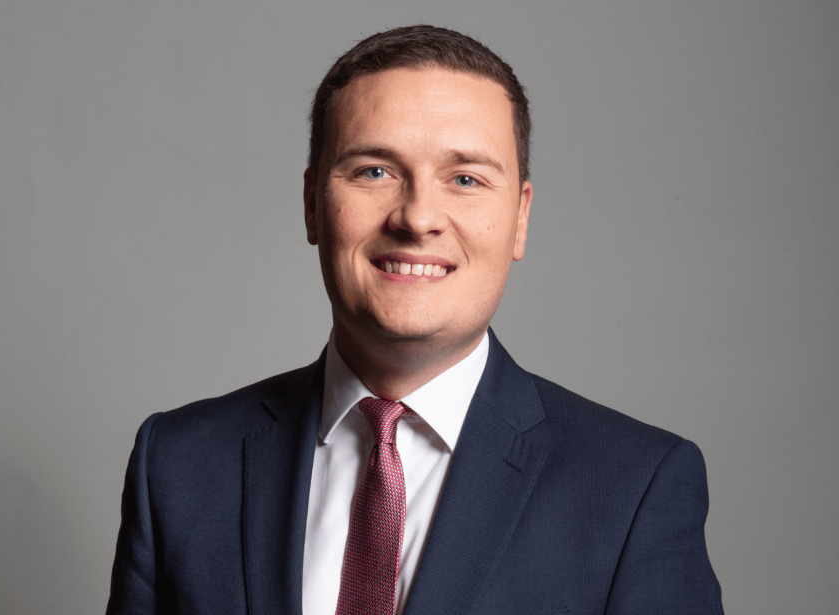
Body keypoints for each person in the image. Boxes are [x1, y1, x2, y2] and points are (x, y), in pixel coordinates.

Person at [106, 25, 723, 615]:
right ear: (312, 204)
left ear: (520, 219)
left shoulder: (635, 486)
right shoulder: (179, 464)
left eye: (465, 178)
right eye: (374, 171)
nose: (418, 217)